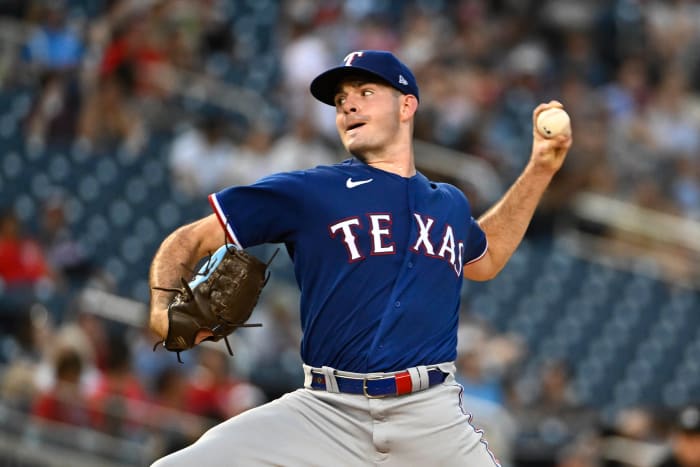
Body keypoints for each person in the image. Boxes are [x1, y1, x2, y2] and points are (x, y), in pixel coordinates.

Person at [148, 50, 572, 466]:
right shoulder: (310, 191)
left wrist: (539, 169)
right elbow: (189, 239)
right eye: (340, 100)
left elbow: (488, 256)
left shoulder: (449, 204)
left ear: (407, 105)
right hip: (324, 411)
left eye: (365, 92)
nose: (348, 104)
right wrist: (161, 307)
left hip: (430, 416)